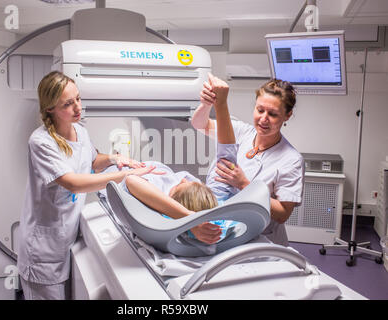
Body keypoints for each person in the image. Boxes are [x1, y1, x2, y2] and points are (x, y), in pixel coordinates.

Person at [16, 71, 162, 300]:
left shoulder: (80, 132)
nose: (77, 108)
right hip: (44, 247)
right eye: (68, 103)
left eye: (78, 99)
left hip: (67, 238)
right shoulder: (41, 141)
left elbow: (92, 161)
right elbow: (73, 183)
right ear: (50, 109)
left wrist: (115, 159)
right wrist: (126, 176)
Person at [117, 74, 240, 245]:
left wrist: (190, 220)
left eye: (180, 184)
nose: (183, 177)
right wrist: (220, 104)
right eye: (191, 181)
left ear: (172, 199)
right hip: (136, 164)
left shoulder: (157, 196)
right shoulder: (209, 199)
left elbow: (131, 180)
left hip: (119, 169)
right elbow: (227, 155)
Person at [191, 74, 304, 247]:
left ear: (287, 115)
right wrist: (207, 104)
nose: (264, 118)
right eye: (260, 110)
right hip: (224, 226)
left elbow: (282, 214)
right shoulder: (240, 131)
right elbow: (200, 124)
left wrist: (244, 184)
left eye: (272, 114)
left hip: (261, 238)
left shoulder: (291, 159)